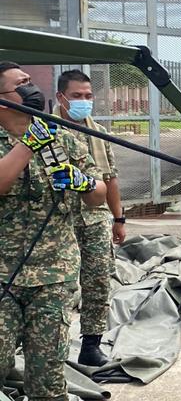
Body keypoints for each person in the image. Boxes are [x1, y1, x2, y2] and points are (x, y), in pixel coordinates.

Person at [0, 61, 107, 401]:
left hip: (54, 272)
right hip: (3, 276)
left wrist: (81, 181)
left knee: (47, 367)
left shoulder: (63, 137)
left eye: (31, 82)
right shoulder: (27, 139)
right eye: (21, 84)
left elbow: (98, 196)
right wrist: (28, 145)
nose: (31, 88)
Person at [56, 70, 127, 367]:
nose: (84, 101)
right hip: (61, 219)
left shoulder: (97, 132)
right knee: (60, 285)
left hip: (95, 219)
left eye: (88, 96)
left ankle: (91, 343)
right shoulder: (43, 130)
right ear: (61, 97)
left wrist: (118, 218)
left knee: (98, 279)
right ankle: (53, 346)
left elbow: (110, 179)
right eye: (76, 96)